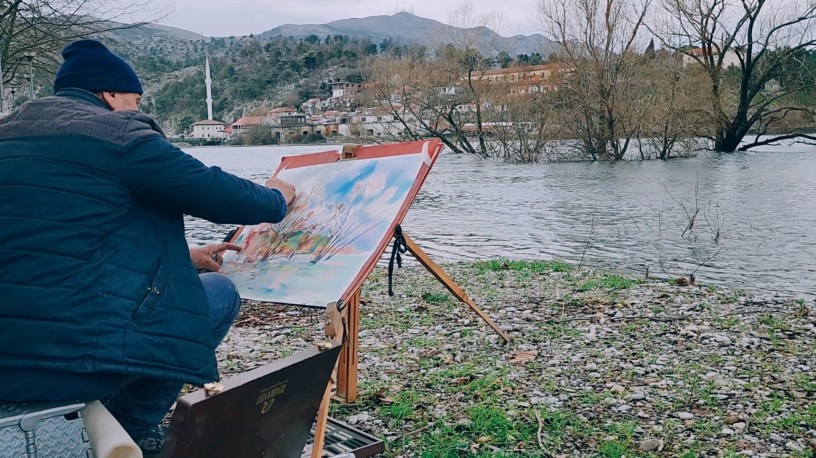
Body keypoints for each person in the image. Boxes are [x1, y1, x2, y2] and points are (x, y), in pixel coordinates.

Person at [0, 39, 296, 456]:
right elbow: (219, 193)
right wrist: (278, 197)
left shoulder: (8, 135)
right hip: (62, 365)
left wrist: (184, 256)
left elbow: (57, 236)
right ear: (109, 94)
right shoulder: (119, 134)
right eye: (136, 100)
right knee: (217, 295)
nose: (138, 109)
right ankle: (131, 425)